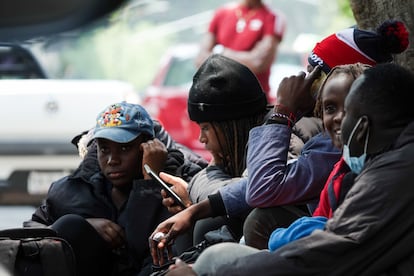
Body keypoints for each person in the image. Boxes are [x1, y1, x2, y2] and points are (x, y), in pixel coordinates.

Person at [150, 19, 408, 259]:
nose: (304, 83)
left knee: (259, 220)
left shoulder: (330, 142)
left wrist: (283, 112)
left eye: (315, 76)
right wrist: (197, 208)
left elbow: (261, 189)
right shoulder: (329, 139)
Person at [25, 102, 202, 276]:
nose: (112, 160)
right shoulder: (76, 188)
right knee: (70, 225)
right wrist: (86, 226)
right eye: (104, 149)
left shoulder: (175, 187)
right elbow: (30, 231)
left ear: (148, 149)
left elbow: (140, 249)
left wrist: (148, 183)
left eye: (125, 148)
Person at [161, 54, 269, 248]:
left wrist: (195, 205)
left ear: (230, 125)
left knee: (207, 223)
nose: (201, 139)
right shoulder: (236, 148)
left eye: (206, 128)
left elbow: (247, 191)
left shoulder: (277, 139)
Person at [267, 63, 370, 252]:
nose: (339, 117)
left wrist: (281, 113)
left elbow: (263, 189)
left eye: (350, 106)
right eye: (330, 108)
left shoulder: (376, 170)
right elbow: (319, 218)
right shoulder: (340, 168)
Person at [195, 0, 286, 103]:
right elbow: (200, 60)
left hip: (253, 103)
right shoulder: (221, 13)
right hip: (218, 102)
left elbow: (258, 63)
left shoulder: (273, 17)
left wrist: (220, 53)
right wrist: (246, 58)